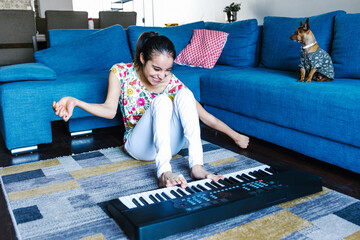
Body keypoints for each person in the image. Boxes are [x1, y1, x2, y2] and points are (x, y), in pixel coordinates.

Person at [53, 31, 249, 189]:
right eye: (156, 69)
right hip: (139, 147)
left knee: (186, 95)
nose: (162, 76)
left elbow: (205, 117)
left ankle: (196, 166)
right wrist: (76, 101)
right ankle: (164, 172)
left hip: (170, 145)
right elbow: (109, 110)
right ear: (142, 58)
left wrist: (236, 136)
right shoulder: (120, 72)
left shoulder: (170, 81)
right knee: (162, 101)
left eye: (168, 70)